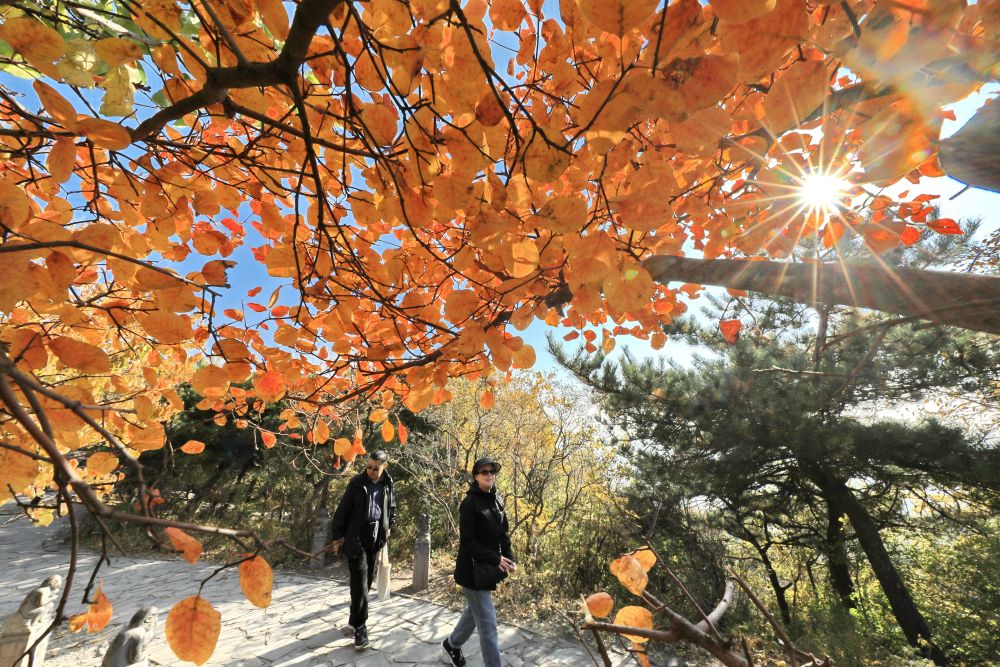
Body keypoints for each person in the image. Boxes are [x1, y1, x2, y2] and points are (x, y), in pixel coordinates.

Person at [441, 456, 517, 667]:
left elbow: (504, 533)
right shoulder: (469, 504)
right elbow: (468, 543)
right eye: (484, 472)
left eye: (492, 471)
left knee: (474, 612)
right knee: (488, 624)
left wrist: (510, 558)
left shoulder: (497, 499)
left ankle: (451, 645)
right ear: (476, 476)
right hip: (471, 571)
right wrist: (495, 558)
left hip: (487, 569)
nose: (489, 475)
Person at [330, 450, 396, 650]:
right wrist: (337, 538)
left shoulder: (388, 484)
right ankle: (360, 627)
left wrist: (388, 526)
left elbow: (391, 507)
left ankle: (353, 620)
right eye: (369, 467)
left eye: (376, 468)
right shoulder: (357, 484)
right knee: (360, 582)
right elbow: (342, 510)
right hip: (356, 536)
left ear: (384, 467)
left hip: (376, 537)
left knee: (365, 582)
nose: (371, 471)